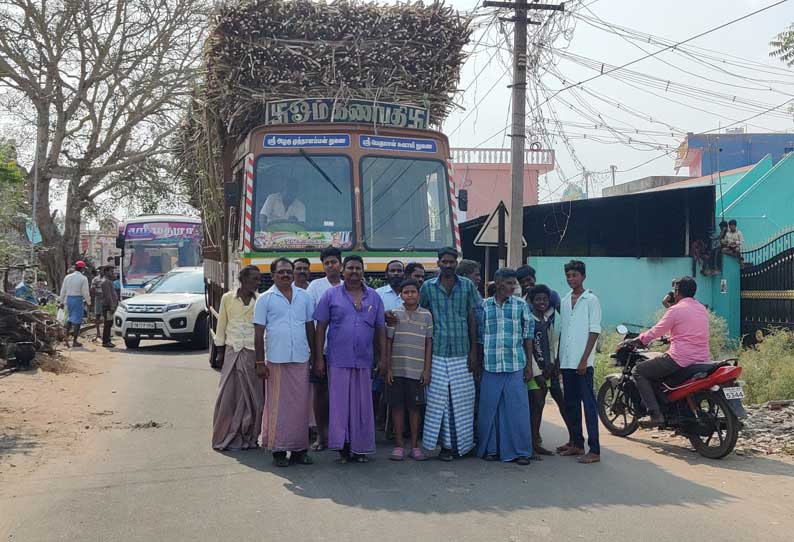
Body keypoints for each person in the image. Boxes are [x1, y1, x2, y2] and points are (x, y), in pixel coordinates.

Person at [313, 254, 386, 463]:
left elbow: (380, 329)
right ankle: (343, 448)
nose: (354, 272)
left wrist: (384, 359)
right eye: (350, 268)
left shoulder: (373, 297)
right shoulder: (331, 295)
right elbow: (321, 328)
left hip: (364, 360)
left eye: (358, 268)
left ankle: (361, 448)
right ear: (343, 271)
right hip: (338, 359)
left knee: (362, 406)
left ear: (363, 271)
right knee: (339, 406)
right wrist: (318, 358)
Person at [254, 258, 316, 467]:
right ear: (272, 275)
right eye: (281, 272)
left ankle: (299, 451)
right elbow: (258, 332)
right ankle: (278, 451)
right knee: (277, 407)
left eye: (289, 272)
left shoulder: (304, 297)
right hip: (275, 360)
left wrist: (316, 357)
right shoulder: (265, 299)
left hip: (300, 358)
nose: (286, 275)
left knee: (300, 408)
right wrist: (260, 362)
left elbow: (310, 328)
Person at [420, 247, 480, 461]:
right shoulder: (427, 287)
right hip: (436, 351)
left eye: (451, 261)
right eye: (444, 261)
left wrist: (474, 351)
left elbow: (473, 317)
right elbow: (421, 317)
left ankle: (463, 446)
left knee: (464, 400)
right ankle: (445, 447)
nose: (447, 265)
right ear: (438, 263)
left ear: (456, 263)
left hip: (462, 351)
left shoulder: (467, 286)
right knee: (440, 401)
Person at [474, 268, 534, 465]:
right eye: (509, 283)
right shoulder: (483, 306)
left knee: (517, 410)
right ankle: (491, 449)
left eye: (514, 284)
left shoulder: (521, 305)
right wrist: (478, 363)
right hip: (490, 365)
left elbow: (528, 336)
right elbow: (479, 337)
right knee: (490, 409)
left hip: (515, 363)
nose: (513, 287)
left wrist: (529, 365)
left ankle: (522, 452)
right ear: (498, 283)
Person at [632, 276, 710, 425]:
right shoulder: (701, 308)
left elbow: (656, 331)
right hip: (702, 359)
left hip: (680, 359)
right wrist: (671, 337)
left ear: (677, 291)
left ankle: (655, 414)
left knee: (639, 371)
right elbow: (690, 330)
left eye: (674, 290)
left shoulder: (676, 310)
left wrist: (640, 339)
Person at [211, 265, 264, 451]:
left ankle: (250, 435)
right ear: (243, 280)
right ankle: (226, 434)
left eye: (259, 280)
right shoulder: (228, 298)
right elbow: (222, 325)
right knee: (228, 396)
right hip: (232, 351)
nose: (257, 283)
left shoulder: (261, 301)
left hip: (253, 352)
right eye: (254, 279)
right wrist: (219, 352)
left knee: (254, 398)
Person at [557, 260, 601, 464]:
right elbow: (564, 332)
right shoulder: (565, 300)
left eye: (574, 275)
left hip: (583, 364)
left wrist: (584, 359)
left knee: (588, 407)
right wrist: (559, 358)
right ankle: (576, 443)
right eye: (568, 275)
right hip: (566, 362)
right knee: (571, 404)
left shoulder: (591, 300)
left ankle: (594, 450)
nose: (571, 279)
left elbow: (594, 331)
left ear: (583, 276)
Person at [385, 279, 433, 461]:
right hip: (396, 370)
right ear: (401, 295)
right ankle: (399, 445)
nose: (410, 295)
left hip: (417, 370)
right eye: (406, 292)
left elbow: (429, 343)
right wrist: (388, 367)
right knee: (397, 407)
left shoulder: (426, 315)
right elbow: (388, 341)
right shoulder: (393, 315)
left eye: (413, 291)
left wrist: (427, 370)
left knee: (415, 409)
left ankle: (414, 446)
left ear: (419, 294)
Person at [528, 284, 573, 457]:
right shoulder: (529, 319)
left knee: (540, 408)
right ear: (531, 301)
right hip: (534, 371)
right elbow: (529, 348)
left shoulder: (547, 320)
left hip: (548, 369)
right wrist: (537, 372)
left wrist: (554, 364)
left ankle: (535, 445)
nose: (542, 302)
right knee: (536, 406)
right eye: (538, 299)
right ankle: (531, 445)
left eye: (545, 300)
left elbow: (552, 343)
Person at [305, 246, 343, 451]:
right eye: (327, 263)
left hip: (344, 352)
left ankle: (340, 436)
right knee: (321, 393)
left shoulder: (349, 286)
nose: (331, 266)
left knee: (341, 395)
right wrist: (316, 355)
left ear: (341, 264)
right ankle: (321, 436)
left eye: (334, 262)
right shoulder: (315, 287)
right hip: (322, 351)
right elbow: (311, 322)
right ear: (323, 266)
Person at [59, 260, 91, 348]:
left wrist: (61, 301)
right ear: (82, 269)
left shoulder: (68, 277)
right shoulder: (83, 278)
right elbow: (85, 292)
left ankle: (66, 338)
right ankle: (74, 341)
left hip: (68, 299)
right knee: (77, 321)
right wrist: (88, 302)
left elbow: (63, 290)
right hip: (78, 299)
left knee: (69, 319)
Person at [98, 266, 119, 348]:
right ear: (106, 272)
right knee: (108, 324)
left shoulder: (109, 281)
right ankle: (106, 341)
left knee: (109, 324)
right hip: (108, 306)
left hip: (109, 305)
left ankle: (107, 340)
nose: (113, 273)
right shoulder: (106, 282)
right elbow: (108, 296)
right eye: (111, 271)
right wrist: (112, 306)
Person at [90, 269, 104, 340]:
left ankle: (106, 332)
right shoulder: (95, 279)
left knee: (106, 316)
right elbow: (92, 289)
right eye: (99, 271)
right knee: (97, 315)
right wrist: (98, 294)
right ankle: (98, 332)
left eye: (102, 270)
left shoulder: (107, 278)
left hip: (106, 298)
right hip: (98, 298)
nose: (101, 272)